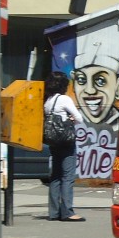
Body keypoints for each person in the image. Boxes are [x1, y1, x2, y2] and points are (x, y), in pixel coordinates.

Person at [44, 71, 85, 222]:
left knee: (55, 176)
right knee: (68, 176)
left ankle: (54, 212)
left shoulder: (48, 101)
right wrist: (71, 119)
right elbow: (79, 118)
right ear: (63, 85)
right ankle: (68, 212)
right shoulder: (64, 99)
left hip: (53, 141)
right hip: (66, 141)